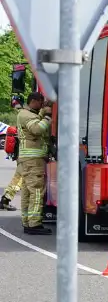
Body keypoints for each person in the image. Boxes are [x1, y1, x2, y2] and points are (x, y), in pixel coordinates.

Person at [16, 92, 52, 235]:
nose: (42, 104)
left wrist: (43, 112)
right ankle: (34, 224)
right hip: (33, 160)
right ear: (34, 101)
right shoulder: (25, 115)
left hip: (28, 160)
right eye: (41, 102)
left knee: (27, 191)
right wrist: (48, 116)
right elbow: (37, 129)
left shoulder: (26, 114)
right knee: (36, 191)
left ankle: (27, 222)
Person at [1, 95, 23, 211]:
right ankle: (6, 199)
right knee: (19, 178)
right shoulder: (25, 115)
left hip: (21, 153)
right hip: (24, 154)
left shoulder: (21, 115)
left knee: (18, 177)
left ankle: (5, 199)